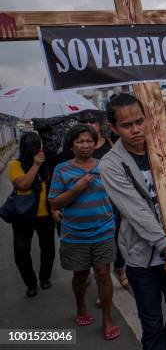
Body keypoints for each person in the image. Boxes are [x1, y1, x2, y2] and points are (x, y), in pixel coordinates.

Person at [99, 93, 166, 350]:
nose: (135, 129)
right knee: (152, 324)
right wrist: (165, 250)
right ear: (113, 128)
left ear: (147, 118)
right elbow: (136, 212)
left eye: (139, 121)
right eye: (126, 125)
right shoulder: (110, 165)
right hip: (142, 258)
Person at [48, 124, 120, 340]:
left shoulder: (104, 166)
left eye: (89, 140)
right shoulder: (62, 169)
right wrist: (77, 188)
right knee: (79, 276)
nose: (85, 145)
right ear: (72, 145)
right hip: (75, 234)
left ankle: (107, 319)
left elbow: (118, 194)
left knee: (103, 274)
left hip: (103, 231)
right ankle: (81, 306)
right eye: (80, 141)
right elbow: (54, 202)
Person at [58, 111, 129, 291]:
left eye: (92, 120)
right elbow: (58, 191)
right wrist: (77, 188)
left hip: (109, 212)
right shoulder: (67, 158)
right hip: (78, 224)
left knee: (110, 256)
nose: (85, 144)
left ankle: (119, 272)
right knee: (82, 271)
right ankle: (86, 292)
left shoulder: (109, 146)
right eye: (84, 121)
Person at [7, 132, 55, 297]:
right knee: (21, 250)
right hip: (23, 214)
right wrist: (35, 166)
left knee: (48, 248)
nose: (34, 149)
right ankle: (31, 283)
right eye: (30, 146)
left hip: (45, 214)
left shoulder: (46, 162)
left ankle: (44, 278)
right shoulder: (15, 165)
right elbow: (24, 184)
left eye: (37, 145)